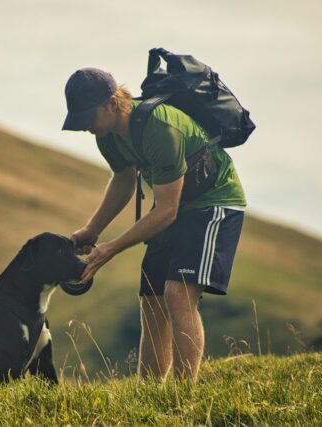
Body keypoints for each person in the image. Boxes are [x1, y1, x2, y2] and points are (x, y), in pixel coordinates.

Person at [62, 67, 246, 382]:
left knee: (177, 293)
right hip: (173, 206)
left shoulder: (160, 127)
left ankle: (183, 396)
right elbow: (123, 181)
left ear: (110, 103)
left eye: (87, 118)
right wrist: (92, 230)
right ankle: (149, 394)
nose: (85, 128)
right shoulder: (107, 136)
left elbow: (166, 212)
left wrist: (110, 249)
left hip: (212, 203)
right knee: (151, 298)